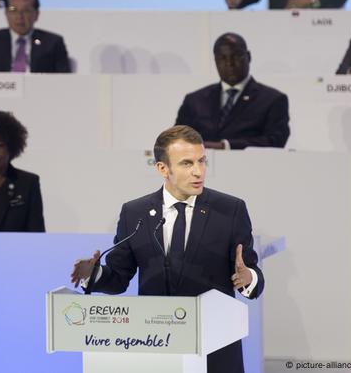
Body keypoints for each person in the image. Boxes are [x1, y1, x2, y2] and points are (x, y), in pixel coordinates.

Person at [71, 125, 263, 373]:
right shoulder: (135, 213)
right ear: (162, 168)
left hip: (215, 350)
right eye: (187, 163)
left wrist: (248, 278)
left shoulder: (230, 210)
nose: (199, 171)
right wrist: (93, 274)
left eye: (202, 161)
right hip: (156, 350)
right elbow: (118, 278)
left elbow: (252, 275)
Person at [175, 33, 290, 150]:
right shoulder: (194, 100)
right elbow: (176, 141)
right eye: (223, 58)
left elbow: (275, 141)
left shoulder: (273, 100)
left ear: (249, 57)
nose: (230, 63)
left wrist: (226, 146)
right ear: (215, 61)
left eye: (236, 56)